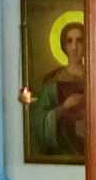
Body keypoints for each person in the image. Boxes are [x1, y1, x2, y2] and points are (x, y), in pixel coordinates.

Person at [32, 21, 86, 157]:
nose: (74, 47)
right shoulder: (53, 81)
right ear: (64, 46)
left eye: (79, 41)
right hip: (63, 153)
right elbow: (39, 122)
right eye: (69, 41)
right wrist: (64, 107)